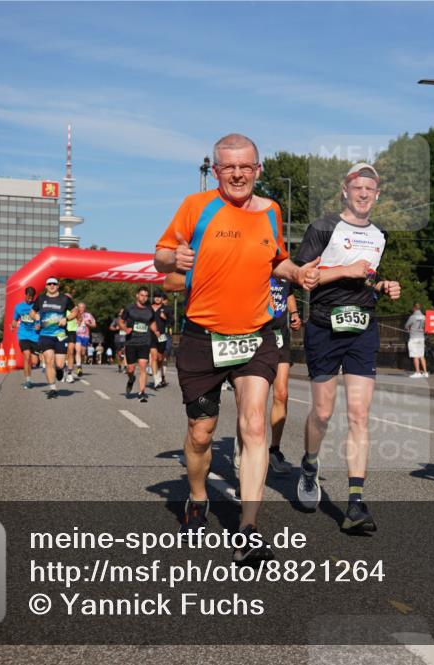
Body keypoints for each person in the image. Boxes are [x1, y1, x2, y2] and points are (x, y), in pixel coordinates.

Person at [153, 133, 319, 564]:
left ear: (258, 169)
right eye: (229, 167)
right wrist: (176, 260)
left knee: (254, 426)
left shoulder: (271, 211)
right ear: (216, 170)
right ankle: (196, 495)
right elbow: (160, 257)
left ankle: (248, 527)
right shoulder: (196, 206)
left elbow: (275, 260)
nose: (239, 174)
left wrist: (297, 273)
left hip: (256, 334)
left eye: (246, 167)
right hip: (204, 336)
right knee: (201, 432)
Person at [293, 163, 401, 533]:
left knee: (358, 414)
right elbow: (302, 278)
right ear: (345, 190)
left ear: (378, 194)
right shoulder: (323, 228)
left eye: (371, 188)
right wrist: (344, 272)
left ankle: (355, 502)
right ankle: (309, 465)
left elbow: (366, 278)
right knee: (322, 414)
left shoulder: (380, 235)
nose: (364, 193)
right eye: (358, 187)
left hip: (362, 327)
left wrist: (381, 286)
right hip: (323, 325)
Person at [234, 278, 301, 477]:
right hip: (256, 333)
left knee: (281, 394)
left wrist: (294, 313)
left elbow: (288, 291)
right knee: (254, 400)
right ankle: (244, 448)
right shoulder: (254, 258)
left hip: (280, 335)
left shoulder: (283, 264)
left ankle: (274, 450)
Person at [32, 277, 76, 399]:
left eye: (54, 284)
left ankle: (60, 370)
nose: (52, 285)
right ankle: (52, 388)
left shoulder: (64, 299)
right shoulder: (41, 299)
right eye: (49, 284)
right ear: (46, 286)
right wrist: (35, 317)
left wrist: (66, 319)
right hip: (45, 335)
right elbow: (32, 312)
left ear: (58, 285)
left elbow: (75, 312)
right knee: (48, 361)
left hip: (60, 335)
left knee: (60, 364)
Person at [120, 286, 158, 403]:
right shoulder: (129, 308)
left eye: (146, 296)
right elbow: (121, 321)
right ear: (137, 295)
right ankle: (131, 379)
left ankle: (142, 392)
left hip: (144, 341)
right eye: (142, 295)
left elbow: (152, 322)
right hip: (131, 341)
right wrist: (125, 329)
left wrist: (156, 331)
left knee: (143, 366)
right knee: (131, 369)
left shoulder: (149, 309)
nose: (144, 298)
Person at [10, 286, 42, 389]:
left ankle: (37, 361)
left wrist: (39, 325)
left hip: (35, 336)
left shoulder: (37, 307)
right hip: (23, 335)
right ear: (25, 295)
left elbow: (41, 320)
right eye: (28, 297)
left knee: (34, 361)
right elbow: (15, 320)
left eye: (31, 298)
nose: (29, 299)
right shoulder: (18, 307)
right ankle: (28, 381)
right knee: (26, 356)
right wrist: (12, 325)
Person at [149, 292, 170, 389]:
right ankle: (156, 379)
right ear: (153, 298)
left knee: (160, 358)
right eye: (156, 296)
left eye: (159, 297)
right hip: (151, 335)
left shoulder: (165, 309)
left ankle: (159, 374)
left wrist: (165, 317)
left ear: (161, 299)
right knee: (153, 357)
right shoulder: (148, 308)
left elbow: (172, 321)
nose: (157, 298)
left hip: (162, 336)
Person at [405, 303, 428, 378]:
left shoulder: (413, 317)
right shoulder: (424, 317)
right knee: (421, 355)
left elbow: (406, 326)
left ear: (414, 308)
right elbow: (426, 327)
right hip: (421, 337)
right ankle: (425, 372)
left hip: (414, 337)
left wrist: (409, 328)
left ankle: (417, 372)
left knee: (415, 355)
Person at [74, 302, 96, 377]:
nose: (81, 309)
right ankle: (78, 367)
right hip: (77, 335)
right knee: (78, 350)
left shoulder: (88, 315)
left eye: (82, 307)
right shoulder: (74, 314)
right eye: (79, 307)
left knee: (83, 352)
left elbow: (94, 324)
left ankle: (80, 364)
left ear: (84, 308)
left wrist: (88, 324)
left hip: (85, 336)